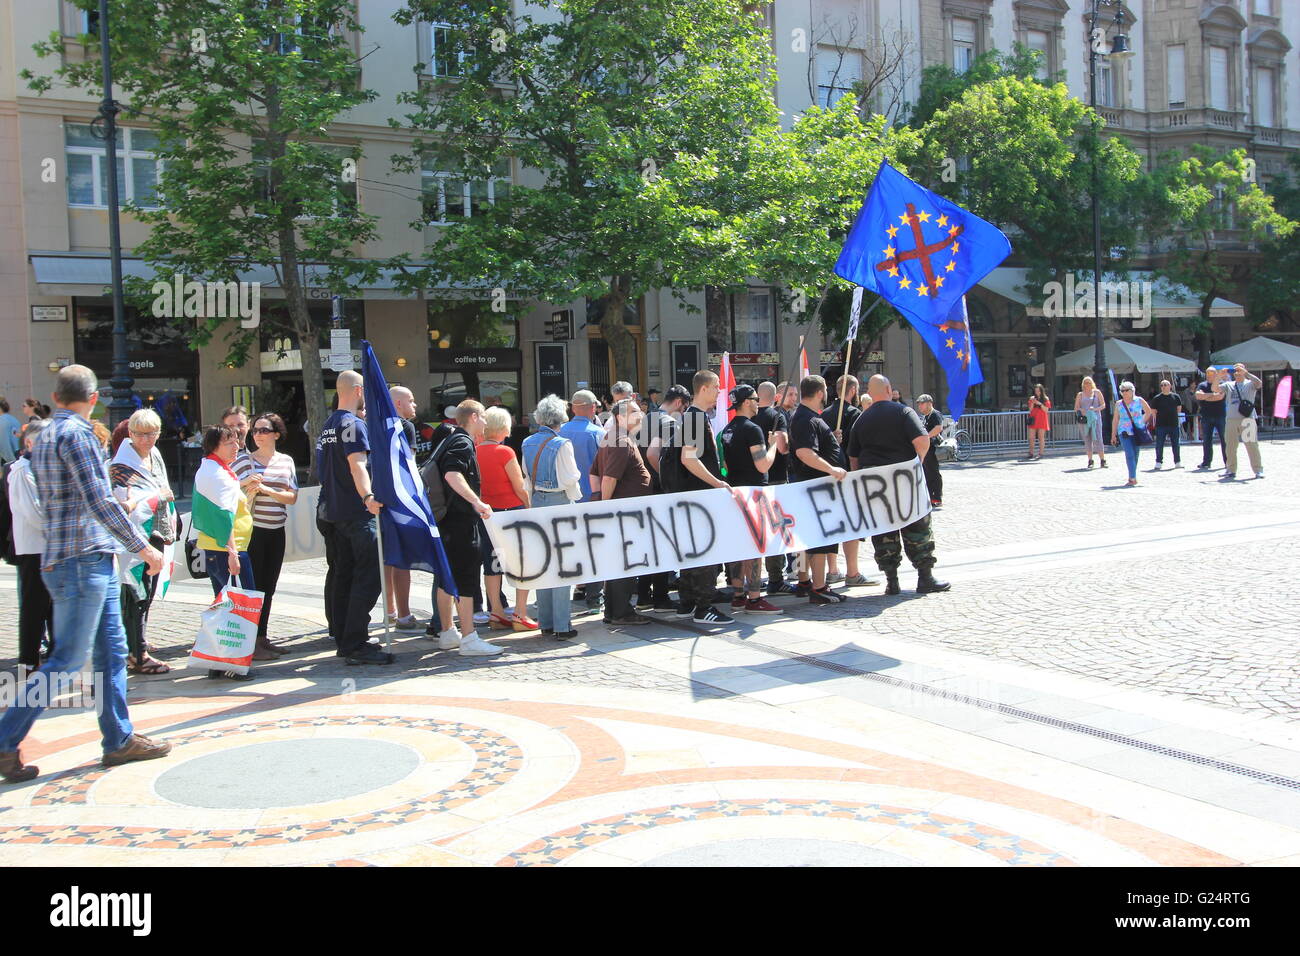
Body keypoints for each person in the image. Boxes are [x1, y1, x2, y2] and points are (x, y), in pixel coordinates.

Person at [0, 365, 170, 784]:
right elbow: (100, 501)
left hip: (70, 558)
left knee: (112, 651)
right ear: (93, 399)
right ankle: (4, 740)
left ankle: (119, 738)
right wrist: (144, 548)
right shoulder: (77, 435)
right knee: (66, 660)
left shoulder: (41, 435)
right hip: (84, 561)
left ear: (57, 397)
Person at [316, 369, 395, 666]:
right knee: (367, 576)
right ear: (359, 391)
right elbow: (357, 465)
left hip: (333, 512)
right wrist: (368, 497)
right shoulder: (354, 424)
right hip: (355, 512)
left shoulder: (328, 425)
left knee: (344, 575)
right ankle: (355, 642)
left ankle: (345, 636)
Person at [847, 375, 951, 596]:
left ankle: (891, 581)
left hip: (876, 488)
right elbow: (922, 441)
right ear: (888, 389)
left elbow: (853, 457)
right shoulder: (903, 412)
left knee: (884, 532)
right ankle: (925, 578)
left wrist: (861, 477)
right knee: (917, 528)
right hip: (904, 482)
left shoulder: (862, 419)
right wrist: (917, 464)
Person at [428, 400, 505, 656]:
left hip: (444, 521)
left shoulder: (447, 439)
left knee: (446, 577)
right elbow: (453, 475)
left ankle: (448, 632)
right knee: (466, 579)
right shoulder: (462, 442)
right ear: (473, 417)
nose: (485, 421)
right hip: (459, 521)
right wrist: (477, 501)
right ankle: (470, 638)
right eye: (483, 416)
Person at [110, 409, 176, 676]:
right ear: (131, 434)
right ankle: (136, 653)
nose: (147, 439)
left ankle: (137, 645)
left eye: (152, 433)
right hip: (134, 539)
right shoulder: (120, 465)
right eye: (140, 434)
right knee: (135, 593)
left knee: (146, 594)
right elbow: (127, 506)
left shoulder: (155, 455)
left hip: (156, 533)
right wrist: (158, 496)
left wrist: (159, 497)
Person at [193, 424, 258, 681]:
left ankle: (217, 662)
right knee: (238, 606)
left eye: (236, 441)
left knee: (224, 604)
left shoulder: (215, 468)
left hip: (220, 548)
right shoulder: (216, 472)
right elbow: (223, 517)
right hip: (228, 549)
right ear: (214, 446)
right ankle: (232, 662)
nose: (237, 447)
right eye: (229, 443)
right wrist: (232, 552)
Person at [521, 395, 584, 638]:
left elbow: (527, 477)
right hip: (559, 502)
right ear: (561, 417)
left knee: (543, 563)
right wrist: (575, 495)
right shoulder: (562, 443)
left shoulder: (527, 442)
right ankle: (561, 624)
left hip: (537, 502)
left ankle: (545, 621)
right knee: (563, 566)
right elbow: (570, 478)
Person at [719, 384, 784, 614]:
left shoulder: (727, 430)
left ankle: (738, 594)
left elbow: (725, 465)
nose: (758, 402)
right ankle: (755, 598)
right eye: (755, 399)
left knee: (738, 545)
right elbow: (762, 464)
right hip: (754, 493)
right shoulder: (752, 429)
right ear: (746, 402)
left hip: (735, 492)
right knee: (755, 545)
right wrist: (773, 446)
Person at [239, 413, 299, 658]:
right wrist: (246, 485)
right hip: (254, 531)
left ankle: (262, 638)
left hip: (277, 531)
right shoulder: (245, 461)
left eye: (263, 430)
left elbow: (292, 497)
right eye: (254, 431)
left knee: (269, 587)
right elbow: (229, 489)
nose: (257, 435)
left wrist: (266, 489)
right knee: (253, 588)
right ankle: (250, 642)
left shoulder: (286, 461)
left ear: (276, 433)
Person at [677, 370, 734, 626]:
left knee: (694, 551)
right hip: (700, 495)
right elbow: (688, 458)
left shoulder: (695, 417)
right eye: (716, 387)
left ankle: (688, 604)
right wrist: (717, 481)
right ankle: (703, 607)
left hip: (696, 495)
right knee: (704, 551)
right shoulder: (695, 418)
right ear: (704, 389)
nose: (719, 392)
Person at [592, 399, 656, 625]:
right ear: (619, 417)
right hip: (624, 513)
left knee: (619, 562)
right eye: (634, 412)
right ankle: (621, 612)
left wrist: (600, 501)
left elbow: (594, 474)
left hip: (623, 511)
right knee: (626, 562)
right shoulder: (620, 440)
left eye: (640, 411)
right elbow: (608, 478)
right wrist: (606, 506)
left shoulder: (612, 439)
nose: (641, 415)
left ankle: (614, 611)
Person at [788, 375, 849, 605]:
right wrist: (832, 469)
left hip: (811, 486)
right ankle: (819, 586)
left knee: (805, 539)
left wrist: (830, 440)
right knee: (821, 538)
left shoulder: (805, 417)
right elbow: (805, 452)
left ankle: (805, 581)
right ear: (821, 393)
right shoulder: (806, 418)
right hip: (817, 487)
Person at [476, 406, 535, 631]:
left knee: (492, 563)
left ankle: (496, 613)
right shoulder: (505, 452)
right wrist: (529, 507)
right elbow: (519, 486)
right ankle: (520, 613)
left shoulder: (475, 450)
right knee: (522, 563)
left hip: (488, 514)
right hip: (511, 512)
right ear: (503, 427)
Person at [8, 419, 53, 679]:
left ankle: (49, 660)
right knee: (34, 607)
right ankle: (28, 661)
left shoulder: (42, 468)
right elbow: (36, 514)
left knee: (51, 608)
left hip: (49, 546)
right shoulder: (22, 471)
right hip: (34, 548)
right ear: (29, 443)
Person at [643, 384, 690, 613]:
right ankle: (660, 597)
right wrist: (666, 478)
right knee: (661, 545)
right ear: (680, 403)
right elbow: (653, 453)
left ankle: (643, 596)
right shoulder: (669, 422)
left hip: (644, 489)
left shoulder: (647, 418)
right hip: (659, 491)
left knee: (648, 545)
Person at [559, 389, 605, 614]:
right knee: (595, 546)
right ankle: (594, 597)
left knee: (571, 545)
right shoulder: (598, 433)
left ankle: (577, 587)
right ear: (592, 408)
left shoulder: (559, 432)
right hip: (592, 498)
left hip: (566, 499)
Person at [383, 386, 423, 631]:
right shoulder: (404, 427)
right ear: (398, 404)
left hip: (381, 497)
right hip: (402, 499)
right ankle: (404, 614)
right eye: (411, 400)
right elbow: (410, 465)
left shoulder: (376, 424)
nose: (415, 404)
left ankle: (389, 611)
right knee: (402, 559)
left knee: (387, 558)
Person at [753, 381, 794, 595]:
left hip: (753, 480)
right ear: (774, 396)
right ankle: (776, 579)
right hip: (776, 477)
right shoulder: (777, 416)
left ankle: (753, 580)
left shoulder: (749, 415)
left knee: (756, 531)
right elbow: (783, 445)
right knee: (775, 530)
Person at [821, 374, 863, 585]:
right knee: (850, 523)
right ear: (853, 391)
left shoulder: (824, 414)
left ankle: (833, 569)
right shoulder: (855, 414)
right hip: (847, 471)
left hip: (829, 473)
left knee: (832, 523)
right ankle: (852, 571)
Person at [1219, 363, 1264, 480]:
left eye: (1239, 369)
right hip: (1231, 419)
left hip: (1247, 419)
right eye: (1236, 370)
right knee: (1230, 446)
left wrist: (1247, 373)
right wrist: (1219, 376)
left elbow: (1259, 383)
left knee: (1252, 445)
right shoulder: (1229, 384)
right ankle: (1230, 469)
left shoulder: (1249, 384)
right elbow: (1215, 389)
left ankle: (1258, 470)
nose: (1237, 372)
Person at [1111, 381, 1153, 487]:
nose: (1124, 392)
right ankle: (1132, 478)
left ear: (1132, 390)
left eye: (1127, 390)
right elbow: (1115, 419)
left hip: (1137, 431)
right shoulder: (1119, 404)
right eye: (1122, 390)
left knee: (1135, 454)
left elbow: (1148, 412)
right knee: (1129, 454)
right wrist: (1113, 434)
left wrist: (1141, 422)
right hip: (1124, 431)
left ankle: (1132, 475)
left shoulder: (1139, 400)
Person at [1196, 367, 1227, 470]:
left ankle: (1228, 462)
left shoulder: (1221, 384)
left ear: (1216, 374)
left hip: (1220, 416)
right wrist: (1212, 395)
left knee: (1224, 440)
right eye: (1207, 373)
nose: (1209, 375)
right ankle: (1206, 462)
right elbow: (1198, 396)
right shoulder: (1202, 385)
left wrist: (1205, 396)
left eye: (1211, 373)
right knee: (1206, 440)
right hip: (1206, 416)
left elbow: (1220, 397)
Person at [916, 394, 944, 507]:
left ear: (929, 403)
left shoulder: (935, 414)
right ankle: (930, 495)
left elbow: (938, 428)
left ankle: (937, 497)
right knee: (927, 472)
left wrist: (926, 437)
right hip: (927, 449)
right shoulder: (926, 416)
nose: (920, 406)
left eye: (922, 403)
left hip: (933, 448)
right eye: (919, 404)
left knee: (934, 473)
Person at [1074, 376, 1107, 469]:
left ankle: (1102, 460)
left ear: (1092, 383)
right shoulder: (1080, 394)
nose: (1087, 384)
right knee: (1087, 440)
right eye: (1085, 382)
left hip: (1095, 418)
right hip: (1084, 420)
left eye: (1089, 382)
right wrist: (1082, 410)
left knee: (1098, 438)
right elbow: (1076, 408)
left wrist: (1095, 409)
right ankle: (1090, 460)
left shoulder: (1097, 392)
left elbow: (1103, 405)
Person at [1149, 379, 1184, 469]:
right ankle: (1158, 462)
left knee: (1176, 444)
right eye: (1162, 385)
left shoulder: (1176, 397)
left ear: (1170, 386)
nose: (1164, 387)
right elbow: (1153, 411)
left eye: (1165, 385)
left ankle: (1177, 462)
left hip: (1174, 424)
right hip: (1161, 425)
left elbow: (1179, 408)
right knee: (1159, 444)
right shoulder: (1157, 398)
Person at [1026, 383, 1051, 460]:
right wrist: (1033, 403)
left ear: (1041, 391)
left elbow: (1046, 410)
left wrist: (1039, 404)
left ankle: (1041, 453)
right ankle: (1031, 452)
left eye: (1039, 391)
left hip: (1042, 419)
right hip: (1033, 419)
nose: (1037, 392)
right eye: (1036, 391)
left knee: (1041, 437)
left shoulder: (1045, 399)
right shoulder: (1032, 398)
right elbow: (1030, 410)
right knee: (1031, 437)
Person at [0, 399, 21, 465]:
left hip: (8, 457)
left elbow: (3, 441)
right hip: (18, 454)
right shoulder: (14, 419)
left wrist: (9, 459)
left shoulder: (1, 421)